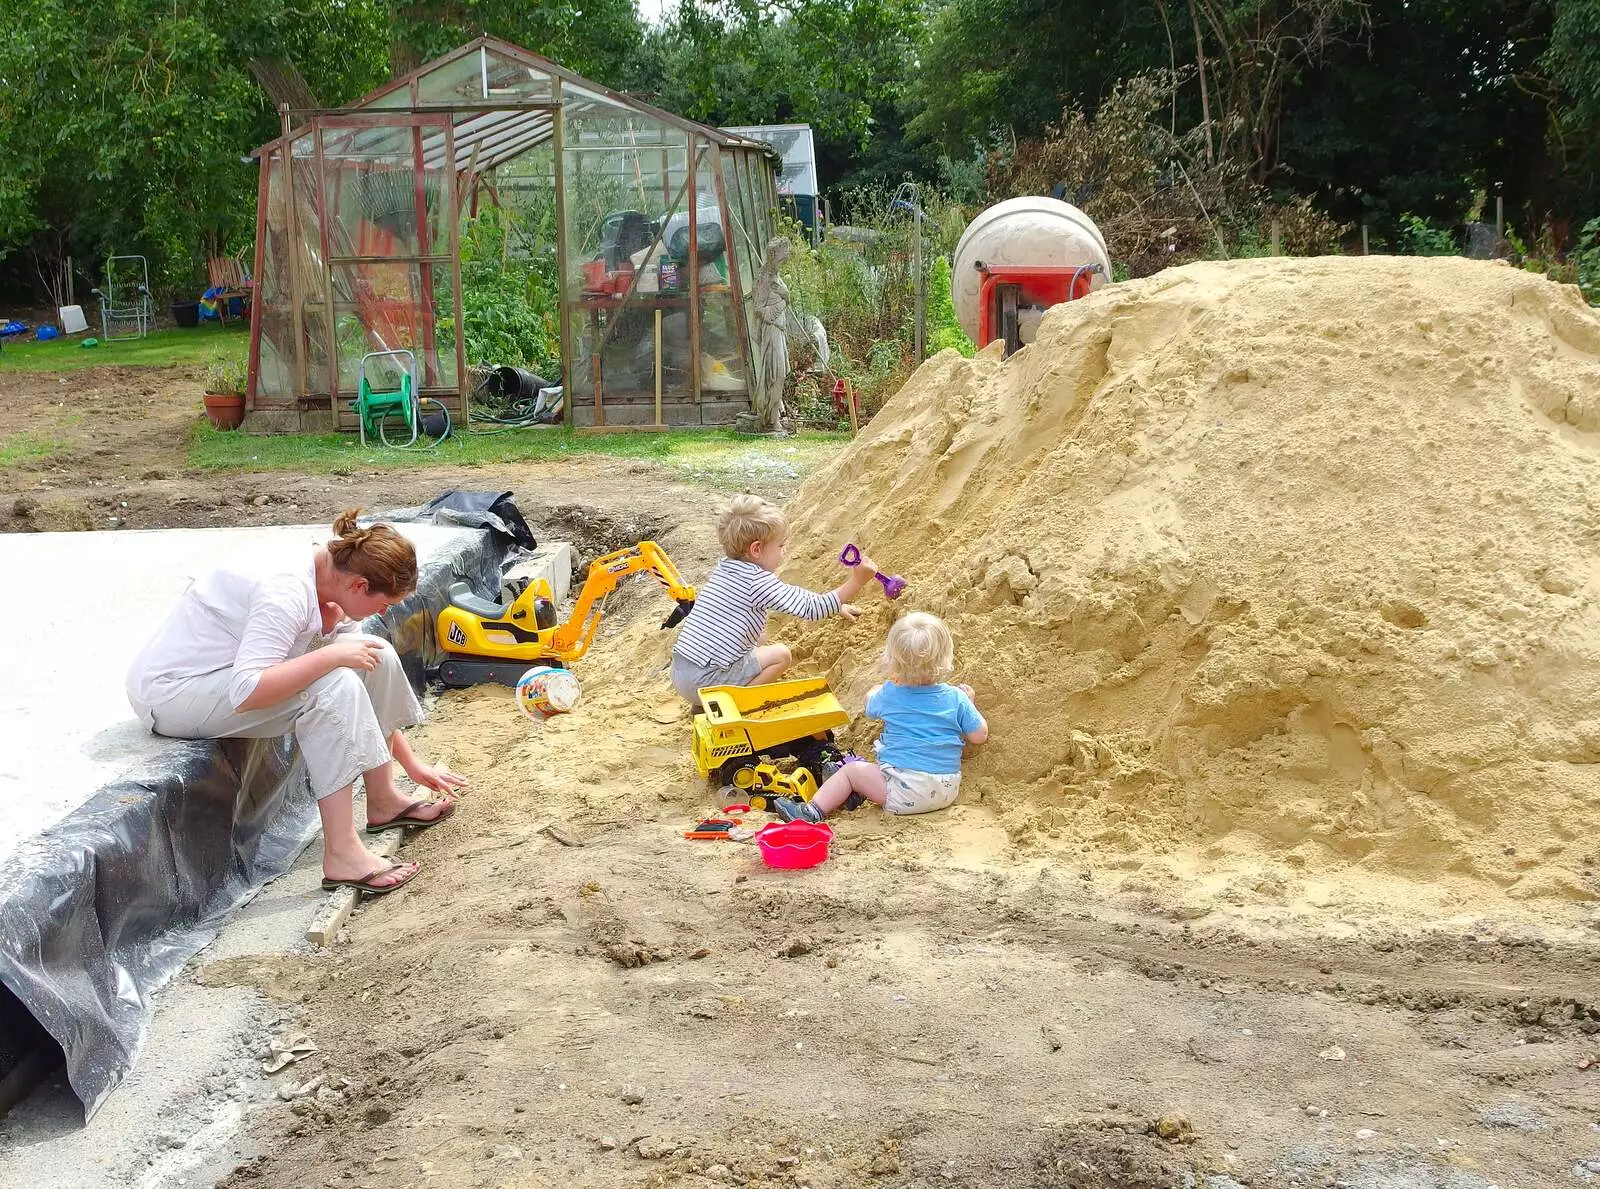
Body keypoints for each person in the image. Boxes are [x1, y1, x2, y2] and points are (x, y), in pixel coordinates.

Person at [125, 509, 466, 896]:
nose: (385, 612)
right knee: (333, 683)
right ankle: (343, 855)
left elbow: (362, 689)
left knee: (377, 652)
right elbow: (248, 690)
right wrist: (329, 657)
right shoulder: (286, 591)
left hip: (223, 676)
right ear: (358, 585)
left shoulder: (335, 584)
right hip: (174, 691)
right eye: (384, 604)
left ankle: (384, 798)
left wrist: (410, 764)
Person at [670, 494, 878, 707]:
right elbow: (812, 608)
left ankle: (713, 699)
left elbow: (799, 598)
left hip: (681, 671)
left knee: (759, 638)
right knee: (781, 655)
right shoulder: (756, 581)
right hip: (704, 681)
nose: (784, 551)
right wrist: (857, 581)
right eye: (780, 546)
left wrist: (836, 605)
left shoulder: (726, 568)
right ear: (756, 549)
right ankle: (732, 706)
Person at [778, 612, 987, 823]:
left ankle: (812, 811)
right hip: (945, 791)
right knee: (870, 773)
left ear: (894, 662)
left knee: (851, 772)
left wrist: (875, 689)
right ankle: (852, 795)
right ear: (946, 657)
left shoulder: (890, 693)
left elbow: (870, 707)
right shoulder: (957, 697)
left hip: (903, 793)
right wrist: (969, 702)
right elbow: (979, 736)